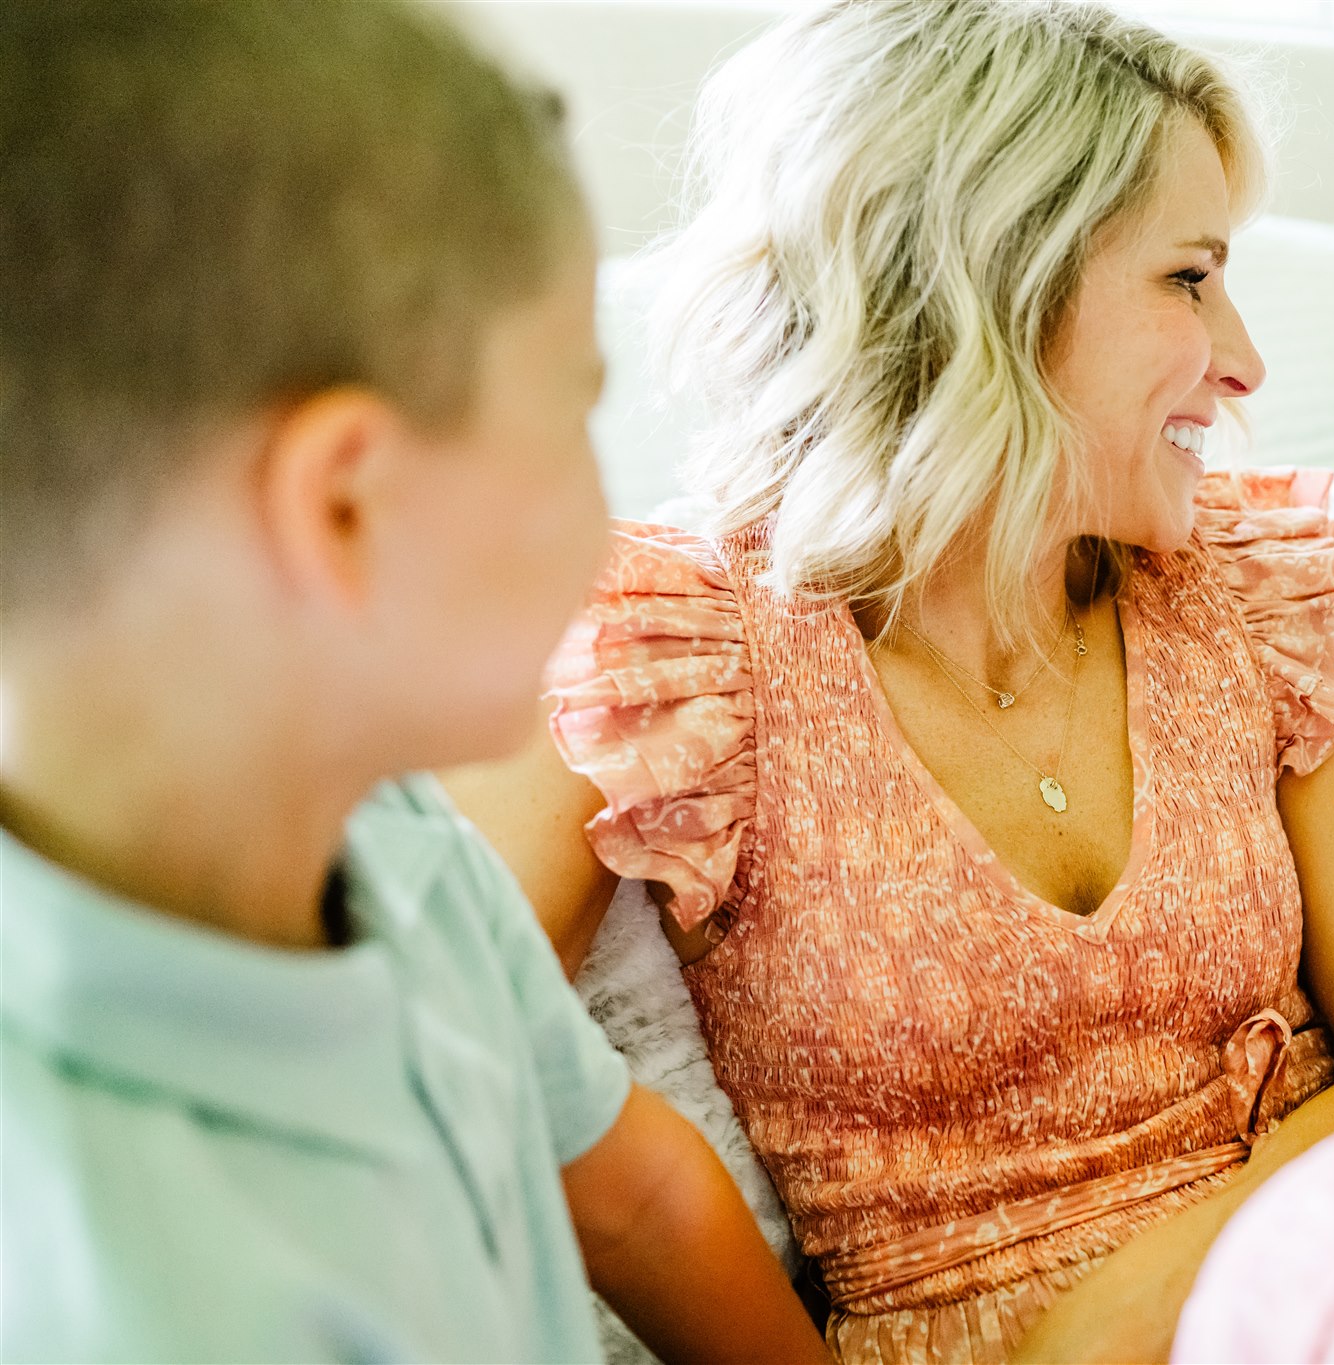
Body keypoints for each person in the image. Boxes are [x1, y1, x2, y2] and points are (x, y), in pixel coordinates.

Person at [446, 2, 1334, 1361]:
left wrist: (1119, 1316)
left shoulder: (1239, 587)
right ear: (997, 288)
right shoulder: (679, 646)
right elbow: (438, 1050)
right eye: (1191, 278)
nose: (1246, 358)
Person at [0, 4, 825, 1361]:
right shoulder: (106, 1283)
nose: (609, 516)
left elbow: (640, 1193)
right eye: (574, 417)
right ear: (345, 509)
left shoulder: (395, 841)